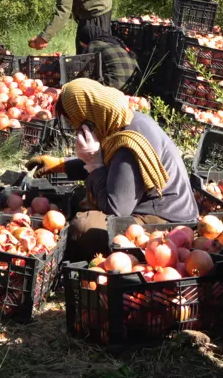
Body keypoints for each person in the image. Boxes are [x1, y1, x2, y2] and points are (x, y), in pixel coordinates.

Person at [25, 79, 199, 262]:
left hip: (165, 224)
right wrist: (62, 164)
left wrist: (93, 163)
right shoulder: (123, 120)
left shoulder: (128, 143)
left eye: (76, 124)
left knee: (84, 227)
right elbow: (112, 166)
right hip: (152, 208)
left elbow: (116, 210)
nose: (76, 130)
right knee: (77, 198)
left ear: (88, 117)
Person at [77, 25, 139, 91]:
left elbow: (84, 73)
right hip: (133, 87)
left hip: (112, 89)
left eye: (83, 45)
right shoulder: (117, 44)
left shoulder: (94, 44)